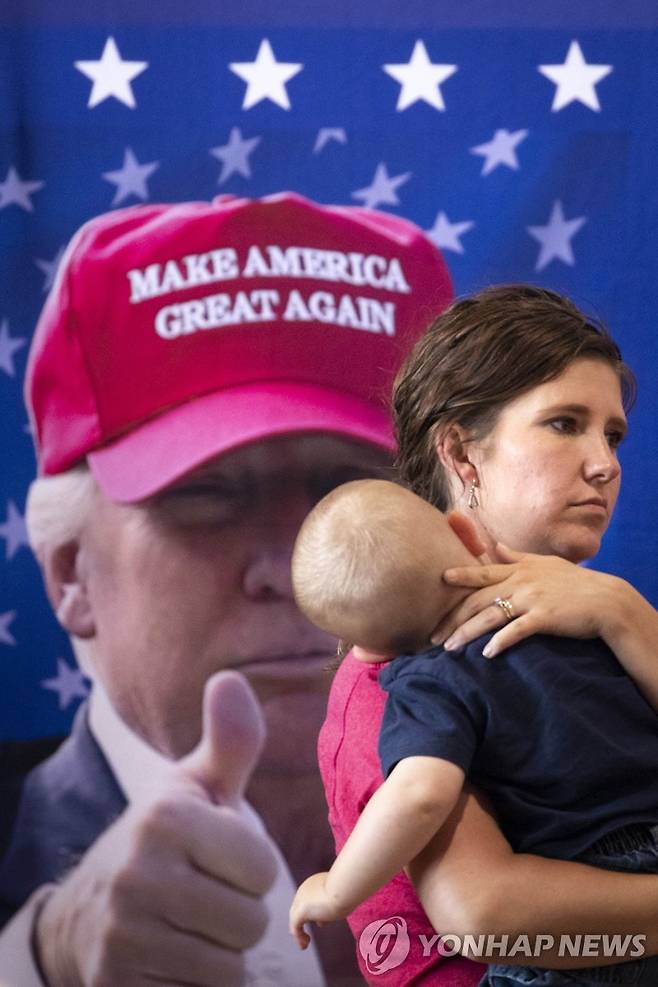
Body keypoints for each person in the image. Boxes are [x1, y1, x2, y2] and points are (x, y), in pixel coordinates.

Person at [0, 192, 454, 987]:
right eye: (208, 493)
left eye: (357, 487)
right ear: (70, 569)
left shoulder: (596, 828)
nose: (300, 570)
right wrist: (43, 959)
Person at [314, 284, 658, 985]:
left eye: (613, 434)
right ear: (461, 456)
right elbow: (484, 908)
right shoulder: (402, 664)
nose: (606, 463)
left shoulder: (597, 610)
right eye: (565, 423)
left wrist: (624, 612)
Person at [289, 478, 658, 985]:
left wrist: (334, 890)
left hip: (589, 907)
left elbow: (419, 796)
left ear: (362, 648)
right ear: (464, 530)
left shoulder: (424, 690)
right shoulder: (569, 613)